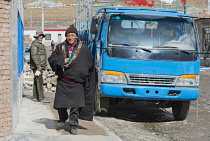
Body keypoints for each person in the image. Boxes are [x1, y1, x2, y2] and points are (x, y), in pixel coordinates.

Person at [48, 25, 96, 135]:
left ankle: (73, 124)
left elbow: (90, 63)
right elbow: (51, 60)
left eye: (72, 35)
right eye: (68, 35)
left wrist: (86, 77)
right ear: (66, 36)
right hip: (63, 81)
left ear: (76, 36)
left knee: (76, 106)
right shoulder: (60, 47)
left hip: (77, 82)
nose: (70, 38)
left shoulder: (83, 49)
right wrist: (61, 60)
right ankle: (62, 118)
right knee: (61, 104)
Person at [30, 30, 50, 103]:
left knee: (36, 81)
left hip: (39, 65)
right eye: (40, 35)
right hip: (37, 66)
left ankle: (35, 97)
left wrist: (45, 65)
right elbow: (34, 55)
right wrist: (38, 65)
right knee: (40, 81)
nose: (41, 37)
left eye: (42, 36)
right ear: (37, 36)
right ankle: (41, 98)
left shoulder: (39, 44)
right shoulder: (35, 44)